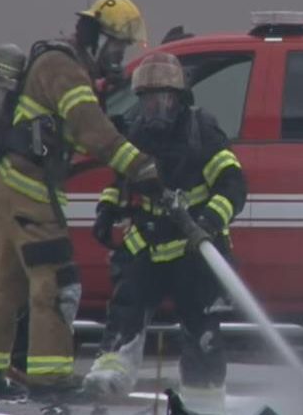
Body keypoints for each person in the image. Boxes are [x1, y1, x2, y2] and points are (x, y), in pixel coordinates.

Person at [0, 0, 161, 400]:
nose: (118, 57)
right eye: (117, 46)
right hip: (31, 191)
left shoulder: (61, 64)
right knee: (55, 280)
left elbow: (71, 134)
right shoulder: (64, 68)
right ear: (97, 37)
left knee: (6, 282)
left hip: (10, 186)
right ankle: (50, 379)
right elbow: (90, 129)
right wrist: (141, 167)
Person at [83, 53, 246, 412]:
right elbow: (122, 181)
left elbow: (233, 185)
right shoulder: (137, 134)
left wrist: (208, 221)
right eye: (147, 101)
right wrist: (107, 210)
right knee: (126, 308)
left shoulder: (202, 131)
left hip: (193, 248)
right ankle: (111, 376)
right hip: (149, 241)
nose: (153, 109)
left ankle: (204, 400)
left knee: (200, 327)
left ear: (178, 99)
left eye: (161, 100)